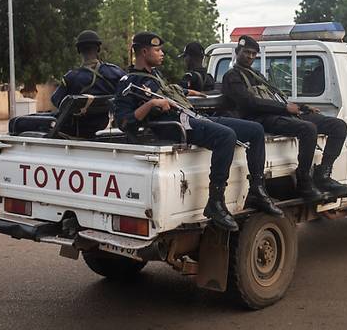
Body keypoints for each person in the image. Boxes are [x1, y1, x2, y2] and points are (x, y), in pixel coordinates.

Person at [114, 32, 282, 231]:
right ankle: (215, 202)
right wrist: (151, 104)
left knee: (254, 130)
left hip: (189, 117)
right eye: (157, 50)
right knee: (225, 136)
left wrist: (186, 91)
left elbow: (167, 91)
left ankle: (256, 188)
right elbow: (124, 121)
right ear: (144, 51)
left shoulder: (155, 75)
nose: (162, 54)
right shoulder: (128, 81)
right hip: (172, 126)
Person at [222, 35, 347, 200]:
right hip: (259, 118)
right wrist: (285, 108)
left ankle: (323, 174)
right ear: (237, 52)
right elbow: (248, 103)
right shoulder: (232, 76)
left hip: (278, 112)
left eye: (253, 54)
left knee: (338, 126)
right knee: (308, 129)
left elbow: (276, 96)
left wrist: (303, 108)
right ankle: (304, 180)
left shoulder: (256, 75)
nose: (250, 56)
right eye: (246, 52)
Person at [51, 30, 125, 136]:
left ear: (79, 50)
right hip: (104, 126)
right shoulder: (116, 72)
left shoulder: (71, 77)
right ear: (98, 49)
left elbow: (56, 100)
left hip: (76, 130)